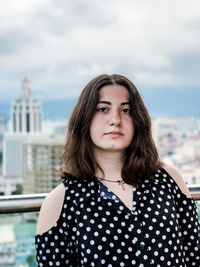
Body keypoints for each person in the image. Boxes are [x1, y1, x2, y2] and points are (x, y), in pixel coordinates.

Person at [35, 74, 200, 266]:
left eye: (126, 110)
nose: (115, 119)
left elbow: (194, 255)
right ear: (85, 119)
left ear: (138, 120)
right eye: (103, 109)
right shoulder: (60, 202)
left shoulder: (168, 178)